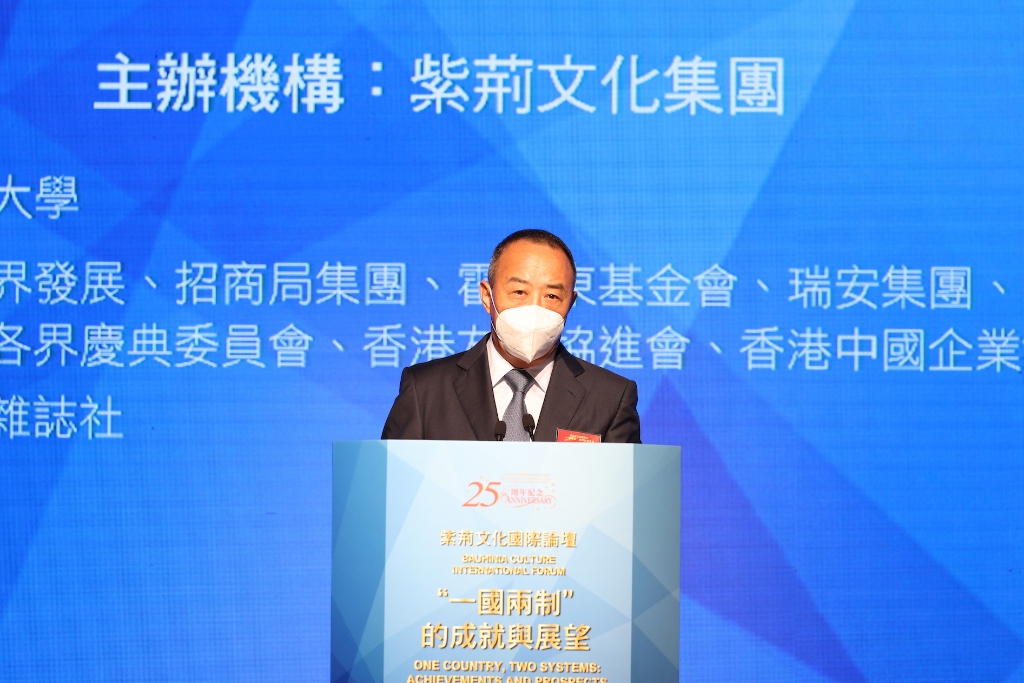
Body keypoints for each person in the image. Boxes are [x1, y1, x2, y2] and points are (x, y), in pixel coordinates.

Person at [381, 229, 641, 442]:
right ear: (487, 296)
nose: (534, 308)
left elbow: (625, 489)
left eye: (551, 296)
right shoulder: (425, 389)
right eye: (519, 292)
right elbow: (392, 483)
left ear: (571, 303)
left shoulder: (610, 398)